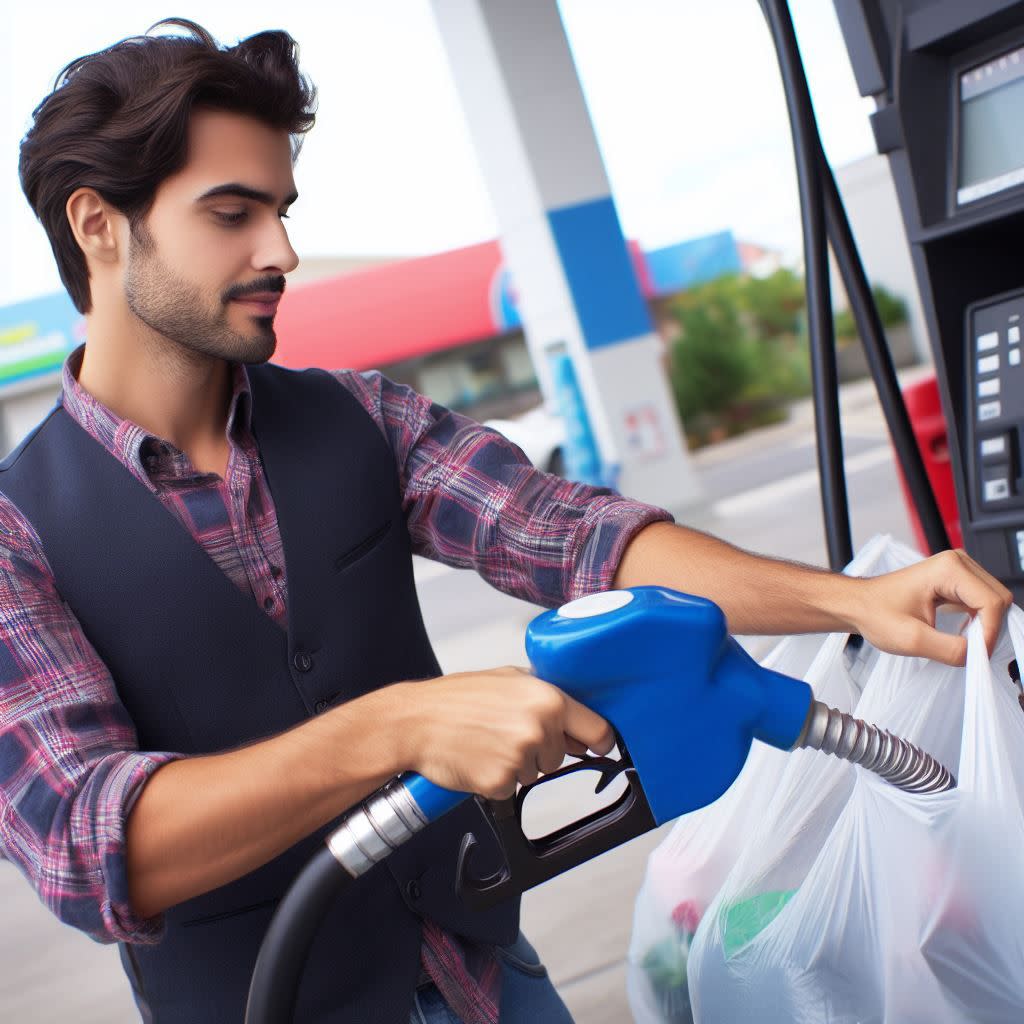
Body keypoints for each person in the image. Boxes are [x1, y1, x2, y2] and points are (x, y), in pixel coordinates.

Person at [2, 18, 1010, 1024]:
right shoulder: (20, 528)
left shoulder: (358, 416)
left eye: (281, 208)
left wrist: (851, 599)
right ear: (98, 224)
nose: (283, 250)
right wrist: (395, 725)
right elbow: (85, 846)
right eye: (232, 213)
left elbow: (575, 535)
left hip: (489, 978)